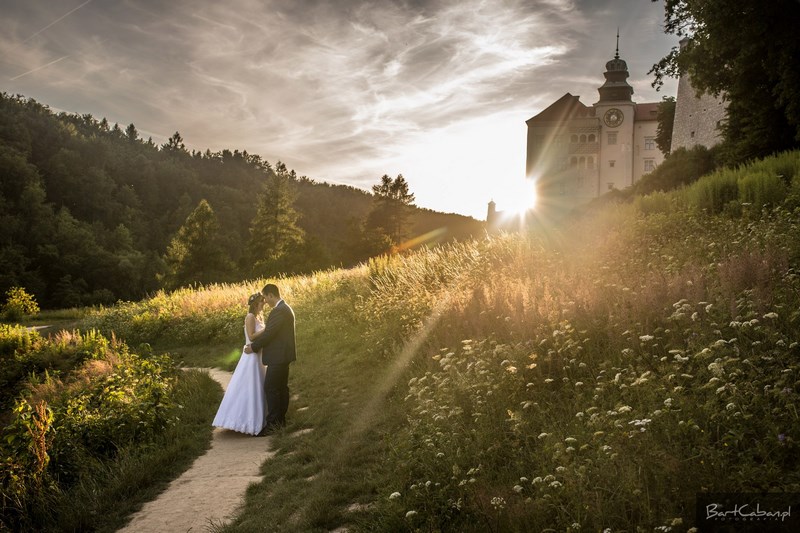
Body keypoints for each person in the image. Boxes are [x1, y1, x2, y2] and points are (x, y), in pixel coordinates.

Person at [211, 293, 267, 435]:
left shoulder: (259, 317)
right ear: (255, 304)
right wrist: (268, 329)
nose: (264, 304)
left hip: (259, 355)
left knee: (259, 386)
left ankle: (262, 418)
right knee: (250, 387)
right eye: (262, 302)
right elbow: (251, 336)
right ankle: (246, 420)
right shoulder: (250, 317)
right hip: (251, 357)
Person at [245, 283, 296, 436]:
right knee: (280, 388)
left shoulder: (279, 311)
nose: (265, 301)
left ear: (271, 295)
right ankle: (280, 421)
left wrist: (253, 348)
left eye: (266, 297)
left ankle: (273, 424)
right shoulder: (284, 309)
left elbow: (269, 334)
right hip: (281, 356)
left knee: (271, 388)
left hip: (278, 356)